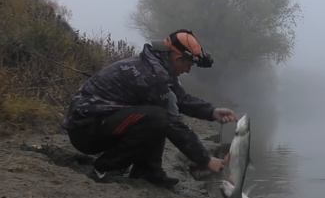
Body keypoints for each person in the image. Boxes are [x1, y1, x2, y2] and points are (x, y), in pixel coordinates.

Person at [62, 29, 237, 188]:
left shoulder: (159, 68)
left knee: (156, 115)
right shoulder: (153, 76)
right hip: (85, 130)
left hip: (100, 122)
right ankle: (105, 168)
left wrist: (212, 112)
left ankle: (147, 172)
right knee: (158, 117)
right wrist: (205, 159)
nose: (189, 70)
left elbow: (181, 99)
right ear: (178, 58)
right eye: (189, 65)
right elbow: (172, 124)